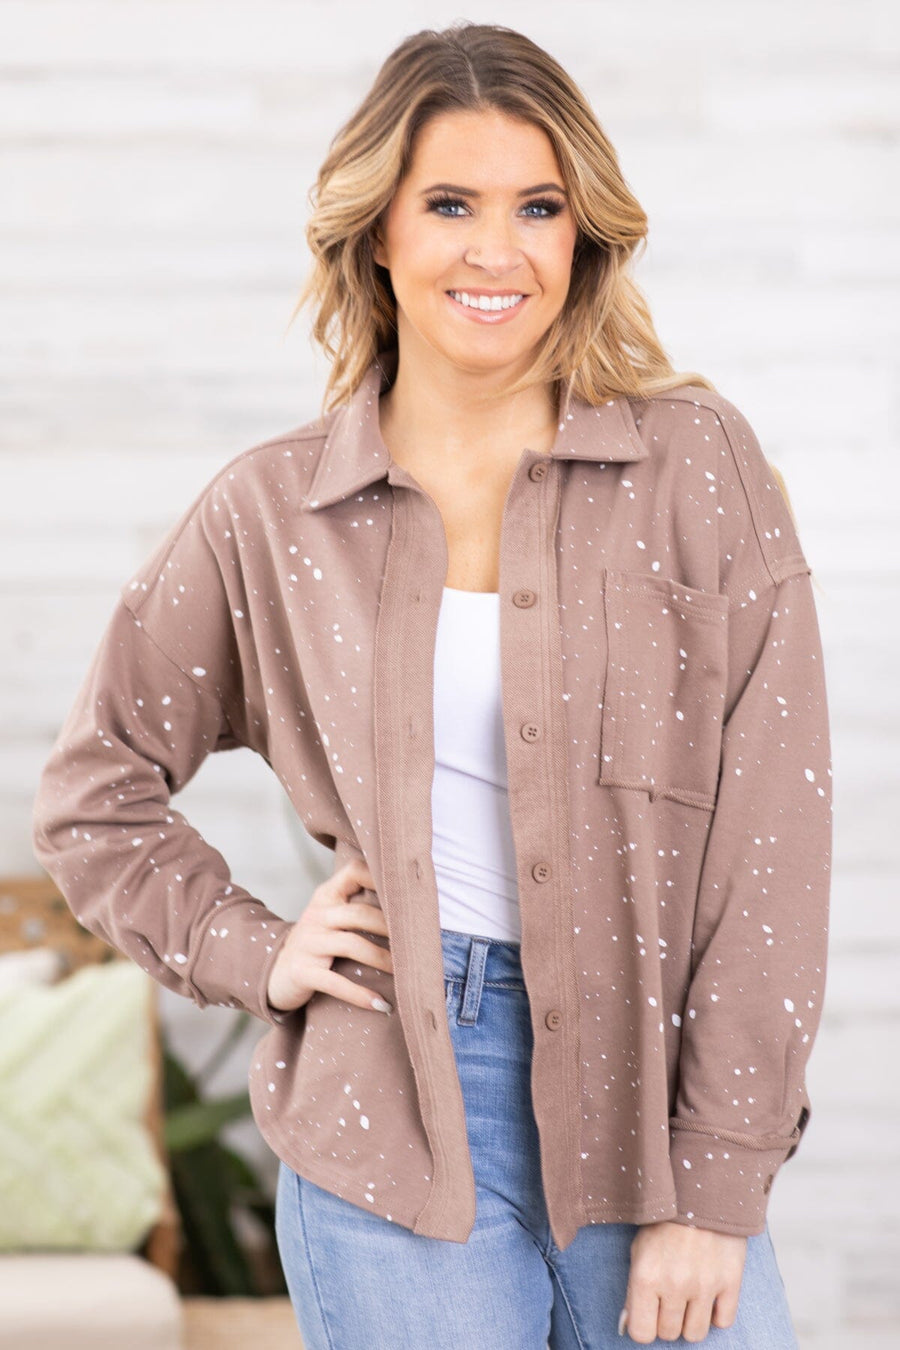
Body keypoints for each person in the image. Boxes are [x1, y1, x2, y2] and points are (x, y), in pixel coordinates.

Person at [31, 21, 832, 1350]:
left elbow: (772, 847)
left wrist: (718, 1177)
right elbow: (93, 792)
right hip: (388, 1108)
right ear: (378, 234)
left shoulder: (699, 468)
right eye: (451, 204)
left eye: (539, 207)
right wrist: (252, 948)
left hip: (648, 1101)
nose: (495, 250)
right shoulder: (273, 511)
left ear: (583, 235)